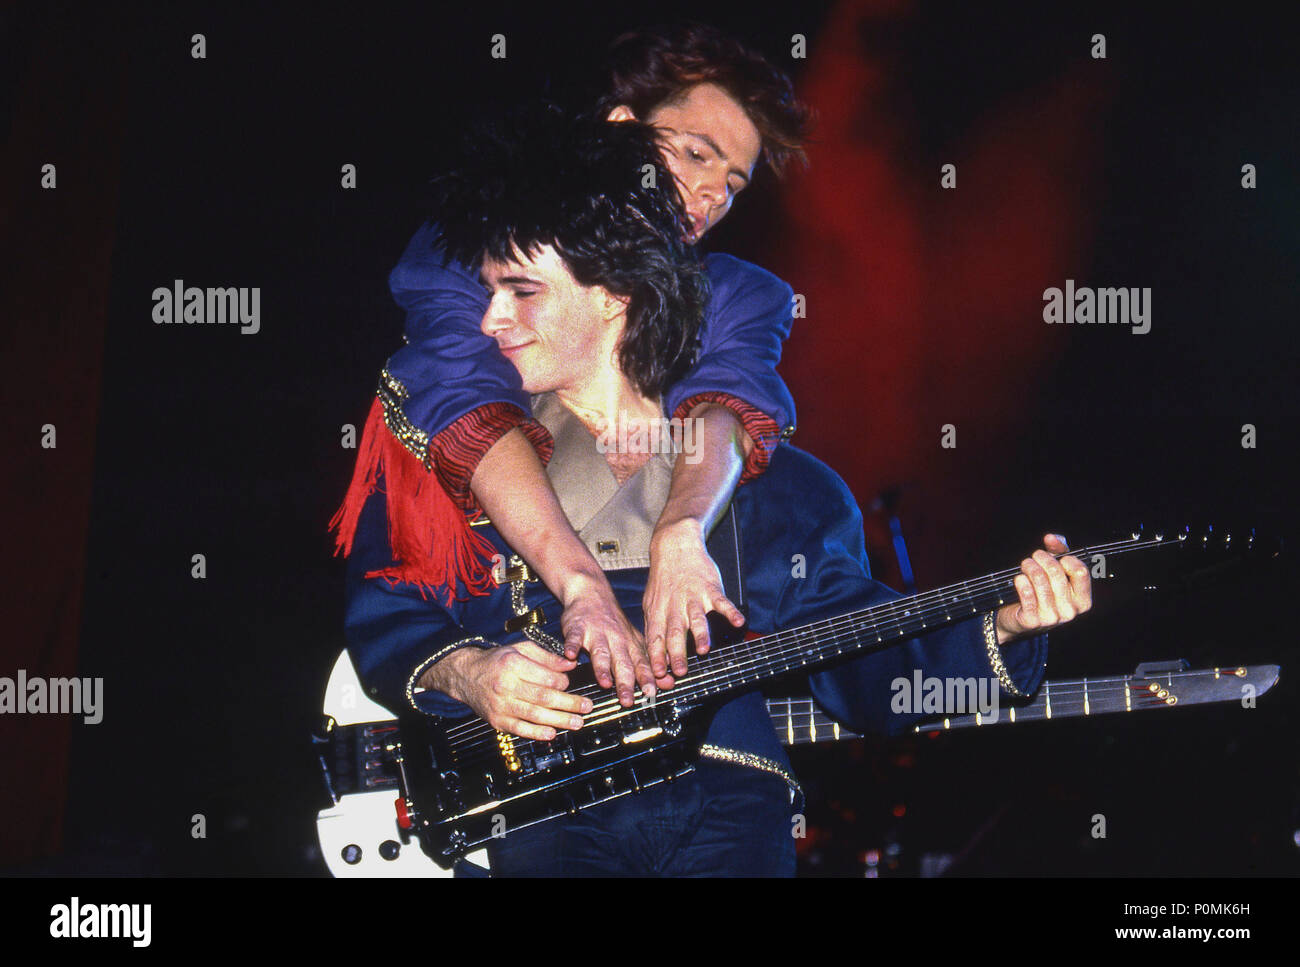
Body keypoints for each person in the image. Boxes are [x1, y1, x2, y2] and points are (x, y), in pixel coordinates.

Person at [335, 107, 1092, 875]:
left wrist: (1003, 627)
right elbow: (386, 612)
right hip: (535, 815)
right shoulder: (470, 461)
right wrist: (473, 674)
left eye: (521, 291)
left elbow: (874, 668)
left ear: (613, 295)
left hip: (729, 804)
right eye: (490, 290)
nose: (490, 318)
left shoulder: (774, 486)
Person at [338, 23, 815, 713]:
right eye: (695, 153)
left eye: (733, 181)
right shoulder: (473, 248)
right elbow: (459, 394)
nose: (711, 192)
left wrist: (683, 527)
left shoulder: (737, 292)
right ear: (623, 127)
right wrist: (580, 584)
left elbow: (730, 395)